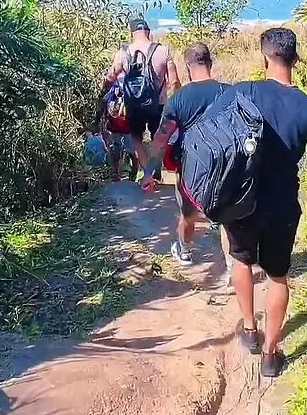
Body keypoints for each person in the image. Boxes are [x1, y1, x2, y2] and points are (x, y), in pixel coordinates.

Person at [222, 27, 307, 378]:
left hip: (242, 199)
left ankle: (249, 330)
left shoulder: (243, 93)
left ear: (264, 57)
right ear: (295, 59)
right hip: (283, 204)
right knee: (278, 275)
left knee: (241, 261)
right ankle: (271, 354)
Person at [140, 43, 232, 270]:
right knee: (228, 221)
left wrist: (149, 173)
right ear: (210, 63)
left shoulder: (179, 99)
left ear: (188, 67)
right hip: (226, 165)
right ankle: (233, 268)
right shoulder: (230, 93)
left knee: (188, 215)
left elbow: (161, 140)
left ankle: (185, 250)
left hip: (191, 167)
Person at [101, 18, 180, 182]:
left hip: (133, 105)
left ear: (132, 33)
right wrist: (175, 103)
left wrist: (104, 89)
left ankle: (147, 174)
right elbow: (174, 82)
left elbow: (111, 76)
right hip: (157, 104)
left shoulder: (123, 52)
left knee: (137, 138)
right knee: (157, 137)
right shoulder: (163, 51)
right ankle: (156, 171)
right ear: (148, 32)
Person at [94, 82, 138, 181]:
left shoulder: (110, 93)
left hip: (118, 128)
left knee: (118, 151)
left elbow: (102, 108)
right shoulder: (131, 91)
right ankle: (130, 174)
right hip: (124, 128)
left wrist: (98, 122)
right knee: (126, 151)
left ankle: (119, 174)